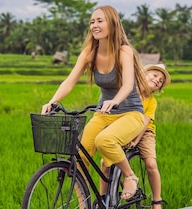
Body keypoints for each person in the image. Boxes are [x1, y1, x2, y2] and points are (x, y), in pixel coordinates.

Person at [41, 5, 151, 201]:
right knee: (78, 157)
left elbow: (127, 85)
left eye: (100, 21)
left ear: (112, 24)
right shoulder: (89, 53)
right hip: (103, 114)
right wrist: (52, 101)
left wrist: (115, 101)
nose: (95, 25)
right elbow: (69, 81)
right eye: (92, 22)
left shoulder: (124, 51)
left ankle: (129, 176)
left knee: (104, 140)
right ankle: (85, 204)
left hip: (130, 113)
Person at [130, 64, 171, 209]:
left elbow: (146, 122)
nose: (157, 80)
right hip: (126, 126)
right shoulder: (128, 91)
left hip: (145, 131)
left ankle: (156, 200)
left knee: (151, 164)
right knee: (106, 163)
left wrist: (136, 139)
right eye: (155, 75)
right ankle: (104, 198)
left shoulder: (152, 102)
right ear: (143, 74)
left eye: (160, 81)